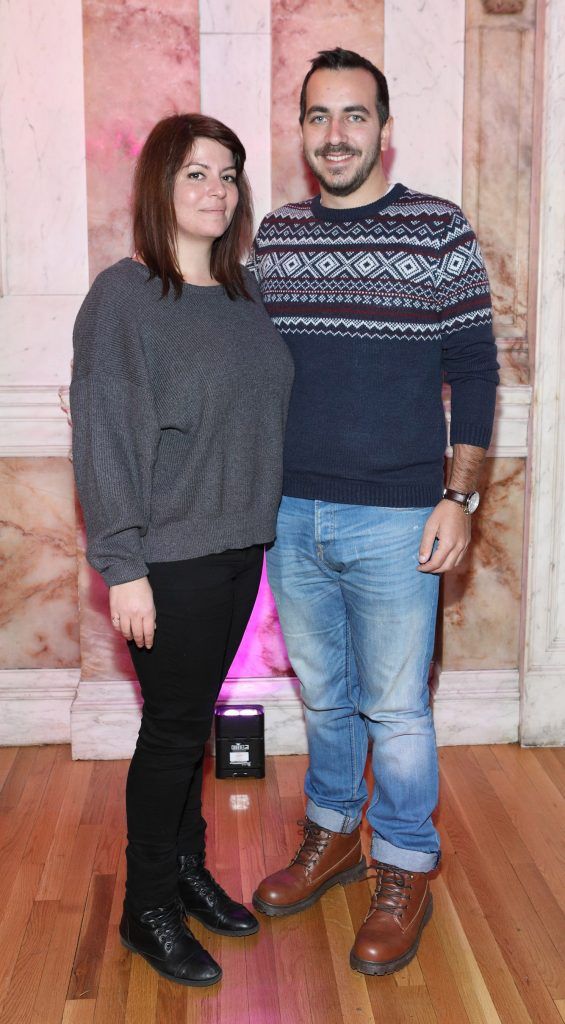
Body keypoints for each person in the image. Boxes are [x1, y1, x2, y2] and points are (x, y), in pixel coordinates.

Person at [248, 48, 499, 976]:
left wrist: (460, 496)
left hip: (399, 516)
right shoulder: (274, 235)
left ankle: (401, 863)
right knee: (322, 692)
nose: (335, 135)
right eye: (318, 117)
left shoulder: (437, 229)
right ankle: (332, 833)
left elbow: (474, 369)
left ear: (382, 129)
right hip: (289, 513)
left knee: (395, 708)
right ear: (302, 130)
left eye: (353, 116)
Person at [70, 113, 294, 987]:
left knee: (193, 723)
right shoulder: (124, 297)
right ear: (160, 184)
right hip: (169, 558)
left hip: (242, 548)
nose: (216, 190)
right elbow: (106, 439)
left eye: (230, 175)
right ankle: (147, 906)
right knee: (169, 736)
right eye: (197, 172)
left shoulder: (247, 294)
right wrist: (123, 567)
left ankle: (188, 871)